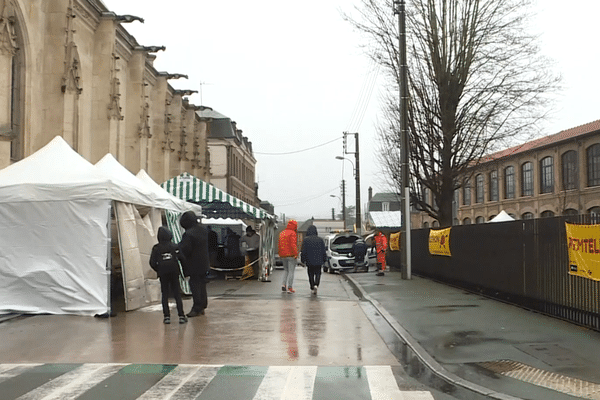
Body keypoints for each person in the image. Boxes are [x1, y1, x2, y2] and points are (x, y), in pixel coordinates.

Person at [149, 226, 187, 324]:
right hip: (174, 272)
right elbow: (182, 258)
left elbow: (152, 263)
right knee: (177, 294)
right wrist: (185, 272)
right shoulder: (175, 246)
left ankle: (166, 317)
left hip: (163, 273)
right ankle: (181, 316)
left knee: (164, 294)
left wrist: (158, 270)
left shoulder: (156, 248)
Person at [178, 211, 209, 317]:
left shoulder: (189, 234)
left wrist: (178, 249)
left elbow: (185, 249)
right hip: (204, 262)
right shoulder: (203, 230)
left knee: (195, 285)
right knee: (202, 285)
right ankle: (202, 306)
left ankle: (197, 307)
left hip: (193, 264)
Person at [300, 225, 326, 295]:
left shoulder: (306, 240)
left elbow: (303, 251)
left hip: (309, 260)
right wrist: (324, 259)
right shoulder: (320, 240)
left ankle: (312, 286)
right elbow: (323, 250)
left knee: (310, 273)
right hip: (318, 260)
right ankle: (316, 284)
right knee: (318, 273)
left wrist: (303, 260)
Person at [278, 220, 298, 293]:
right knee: (291, 271)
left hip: (283, 255)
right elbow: (293, 245)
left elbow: (279, 245)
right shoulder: (292, 233)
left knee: (286, 270)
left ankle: (283, 284)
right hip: (291, 255)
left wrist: (280, 254)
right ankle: (290, 287)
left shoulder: (282, 233)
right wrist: (296, 254)